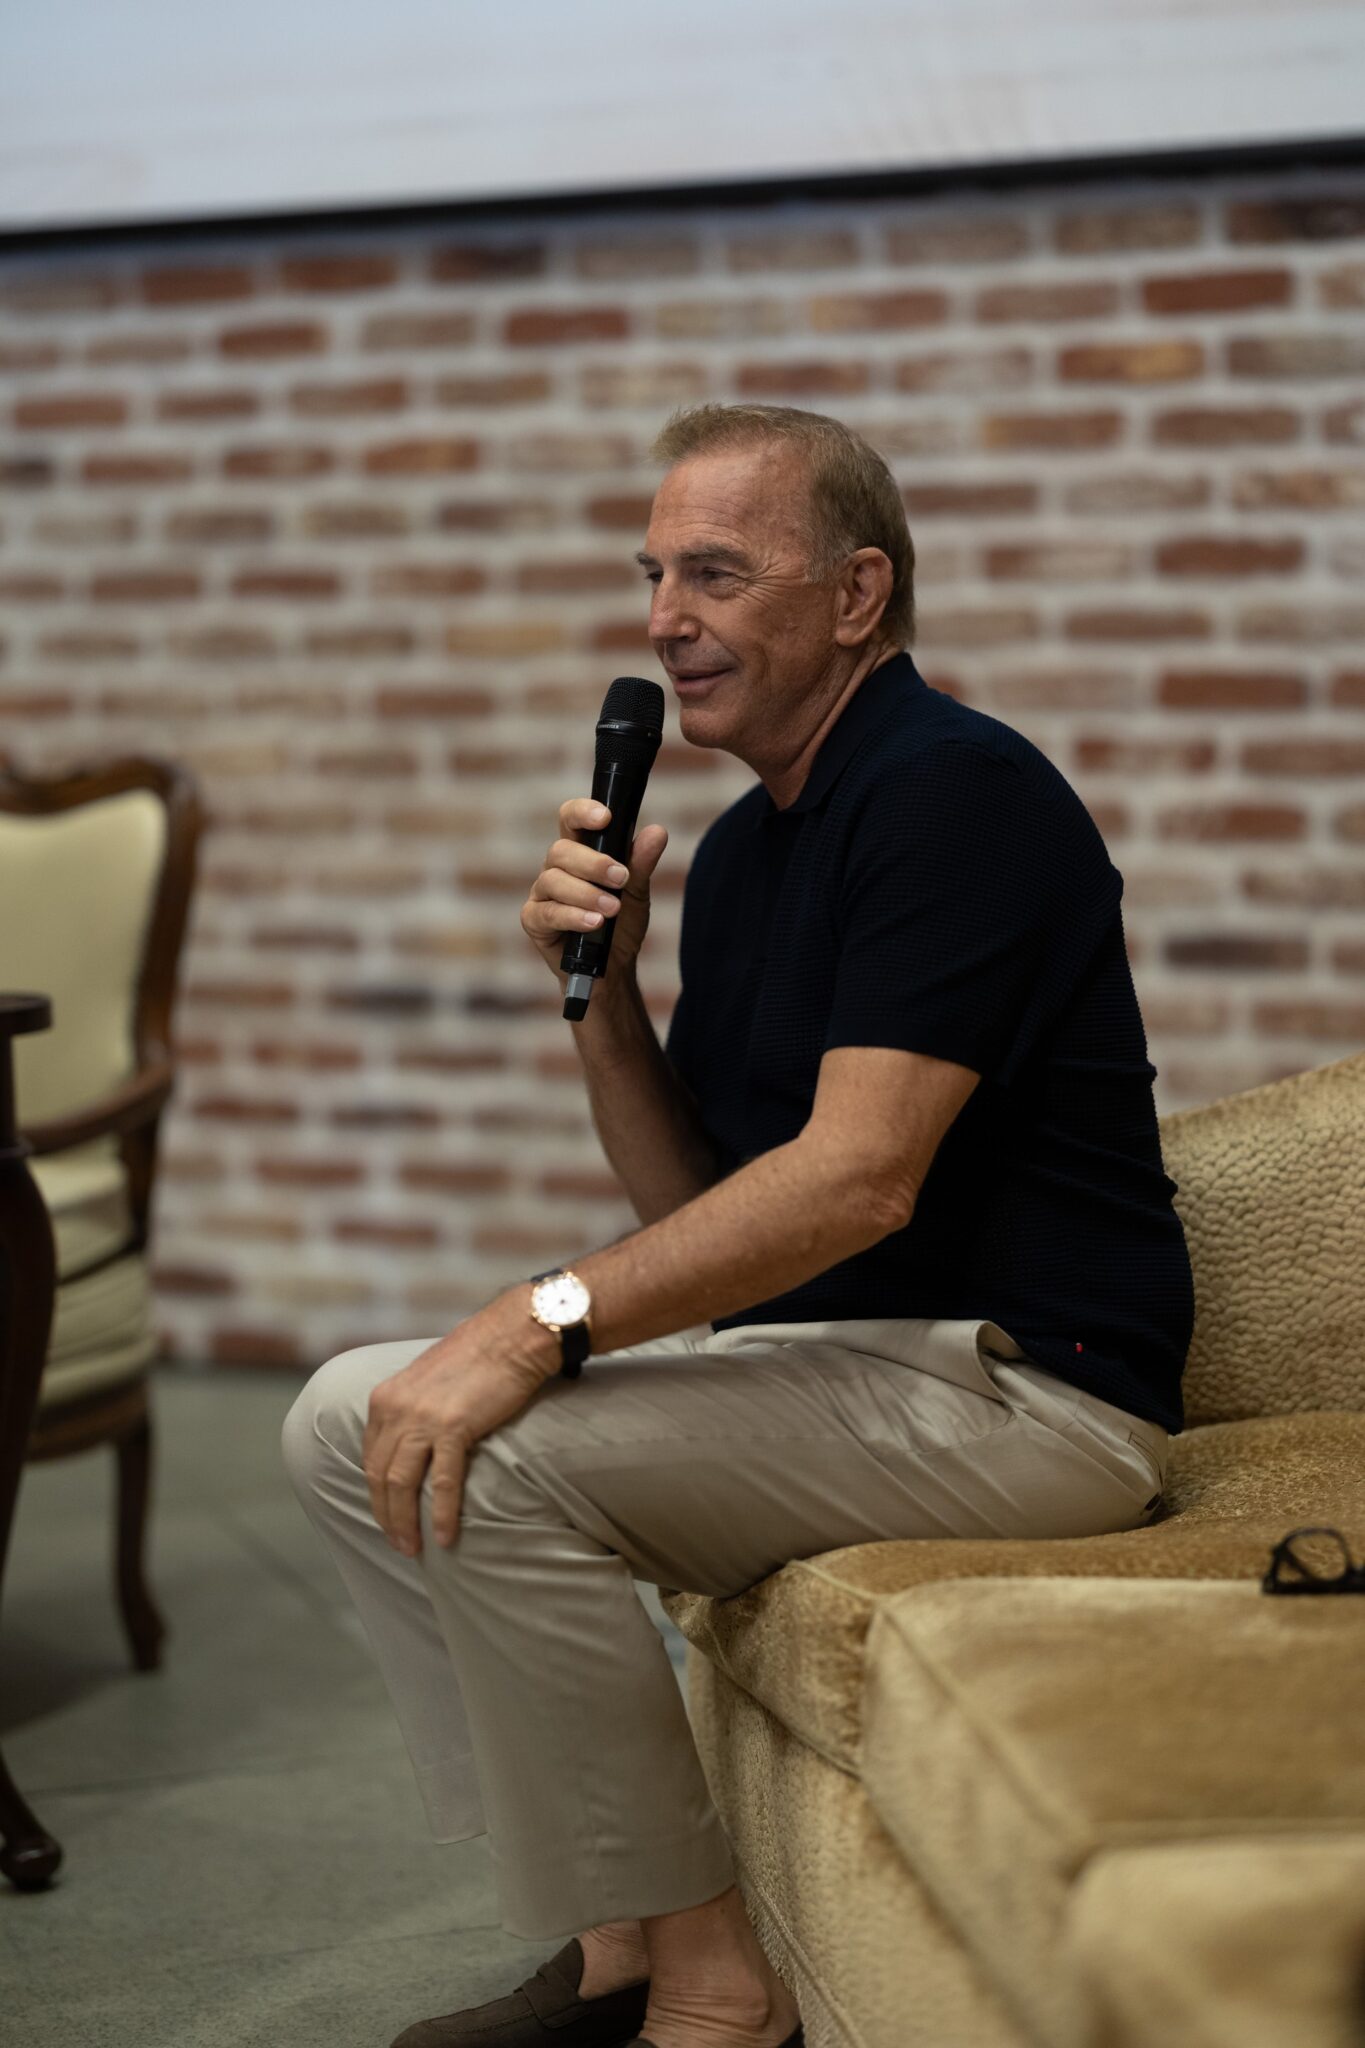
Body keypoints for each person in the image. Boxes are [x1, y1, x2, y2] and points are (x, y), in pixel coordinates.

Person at [282, 402, 1195, 2048]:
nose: (661, 620)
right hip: (854, 1357)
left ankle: (716, 1997)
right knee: (349, 1416)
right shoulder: (752, 846)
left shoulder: (953, 795)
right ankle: (623, 1939)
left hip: (1031, 1395)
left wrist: (530, 1322)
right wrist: (601, 1003)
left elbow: (859, 1181)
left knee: (494, 1431)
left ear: (854, 595)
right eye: (651, 574)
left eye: (715, 571)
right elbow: (704, 1220)